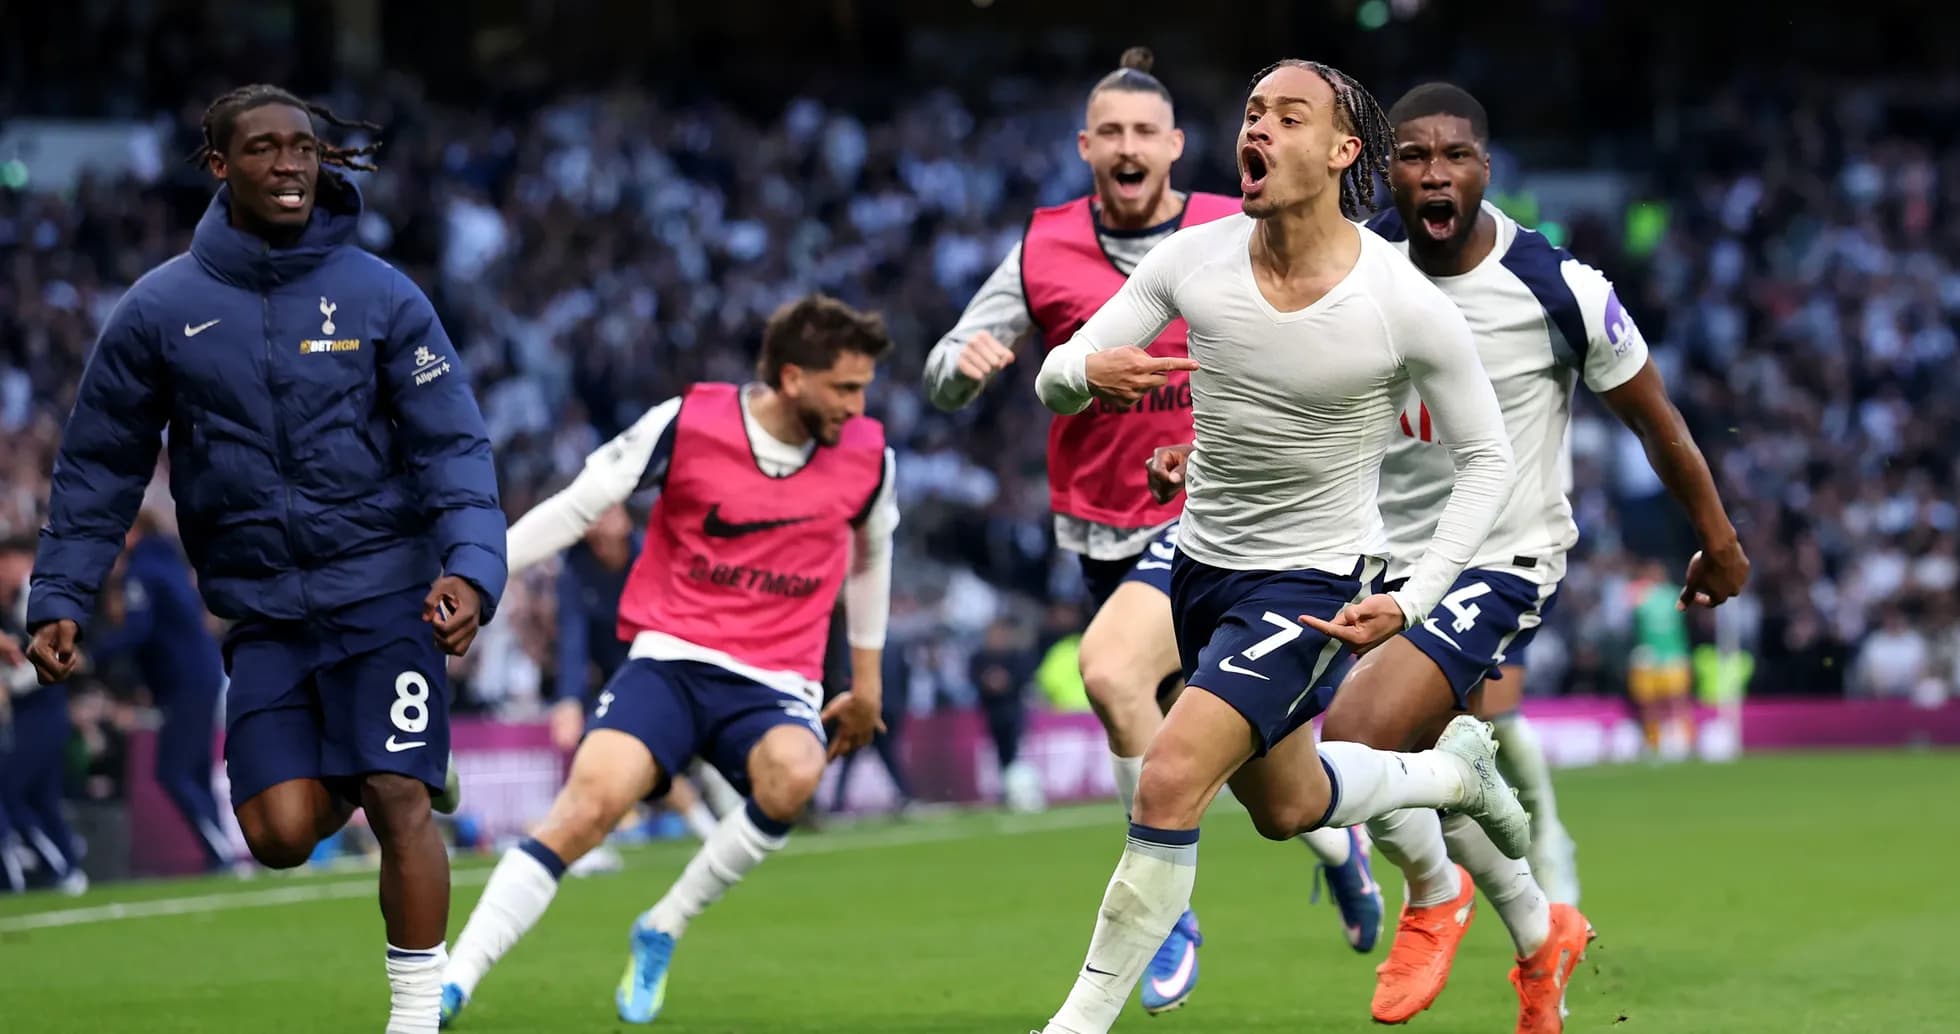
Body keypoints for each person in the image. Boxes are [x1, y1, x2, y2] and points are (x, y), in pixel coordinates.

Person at [1028, 59, 1529, 1034]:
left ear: (1343, 153)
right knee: (1288, 804)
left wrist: (1417, 595)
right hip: (1197, 564)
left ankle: (1077, 1021)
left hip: (1309, 582)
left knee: (1171, 775)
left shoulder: (1402, 300)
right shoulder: (1190, 261)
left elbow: (1486, 459)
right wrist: (1088, 370)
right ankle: (1453, 773)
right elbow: (1055, 375)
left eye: (1287, 116)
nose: (1257, 128)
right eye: (1251, 111)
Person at [23, 85, 505, 1033]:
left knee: (399, 795)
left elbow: (453, 445)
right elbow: (99, 465)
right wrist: (62, 591)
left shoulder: (383, 295)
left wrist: (471, 568)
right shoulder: (159, 310)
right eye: (265, 149)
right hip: (263, 613)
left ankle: (414, 1016)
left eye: (305, 149)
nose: (290, 165)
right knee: (278, 835)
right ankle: (392, 758)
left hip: (387, 590)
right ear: (218, 166)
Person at [924, 46, 1377, 1012]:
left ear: (1176, 147)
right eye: (1111, 133)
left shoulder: (1235, 224)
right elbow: (945, 372)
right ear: (1087, 147)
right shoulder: (1041, 247)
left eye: (1146, 132)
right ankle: (1342, 843)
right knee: (1266, 780)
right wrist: (961, 368)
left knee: (1111, 673)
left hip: (1216, 514)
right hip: (1098, 532)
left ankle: (1168, 915)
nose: (1129, 148)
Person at [440, 294, 897, 1027]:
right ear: (790, 377)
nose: (859, 404)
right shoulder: (688, 421)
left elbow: (873, 556)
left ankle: (664, 924)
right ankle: (451, 983)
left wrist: (866, 685)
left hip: (776, 679)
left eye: (863, 386)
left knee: (796, 772)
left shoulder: (871, 457)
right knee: (587, 807)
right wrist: (478, 580)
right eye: (844, 387)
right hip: (673, 659)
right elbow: (579, 506)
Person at [89, 511, 232, 871]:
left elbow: (138, 629)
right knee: (194, 771)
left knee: (173, 771)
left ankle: (220, 850)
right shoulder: (166, 563)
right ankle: (220, 853)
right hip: (200, 673)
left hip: (185, 680)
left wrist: (94, 655)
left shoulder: (144, 571)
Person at [1, 536, 87, 895]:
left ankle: (56, 867)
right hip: (42, 713)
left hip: (40, 712)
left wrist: (9, 685)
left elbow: (54, 658)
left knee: (8, 792)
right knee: (40, 797)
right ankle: (67, 865)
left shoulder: (33, 599)